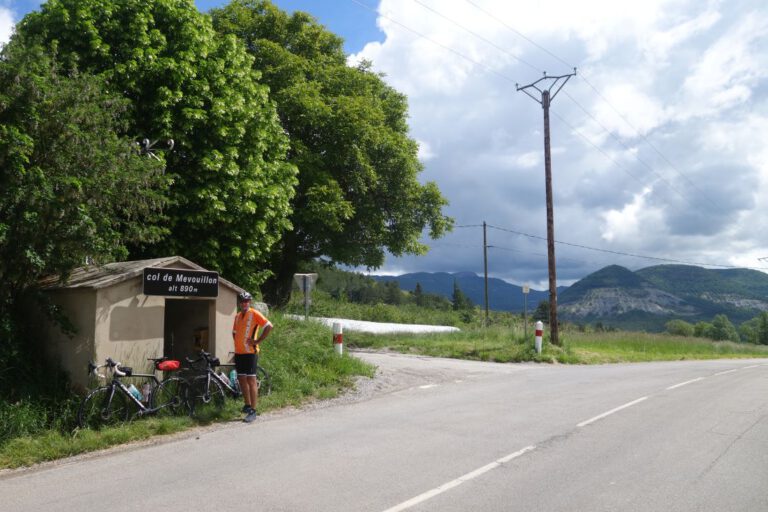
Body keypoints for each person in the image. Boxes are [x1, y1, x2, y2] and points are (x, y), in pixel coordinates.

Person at [232, 291, 273, 423]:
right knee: (241, 379)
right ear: (239, 303)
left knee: (251, 380)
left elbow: (268, 326)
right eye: (242, 301)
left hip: (250, 353)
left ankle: (254, 411)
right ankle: (247, 404)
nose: (244, 303)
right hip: (239, 353)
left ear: (249, 302)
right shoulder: (237, 316)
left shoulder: (254, 313)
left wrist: (257, 341)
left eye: (246, 301)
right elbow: (235, 333)